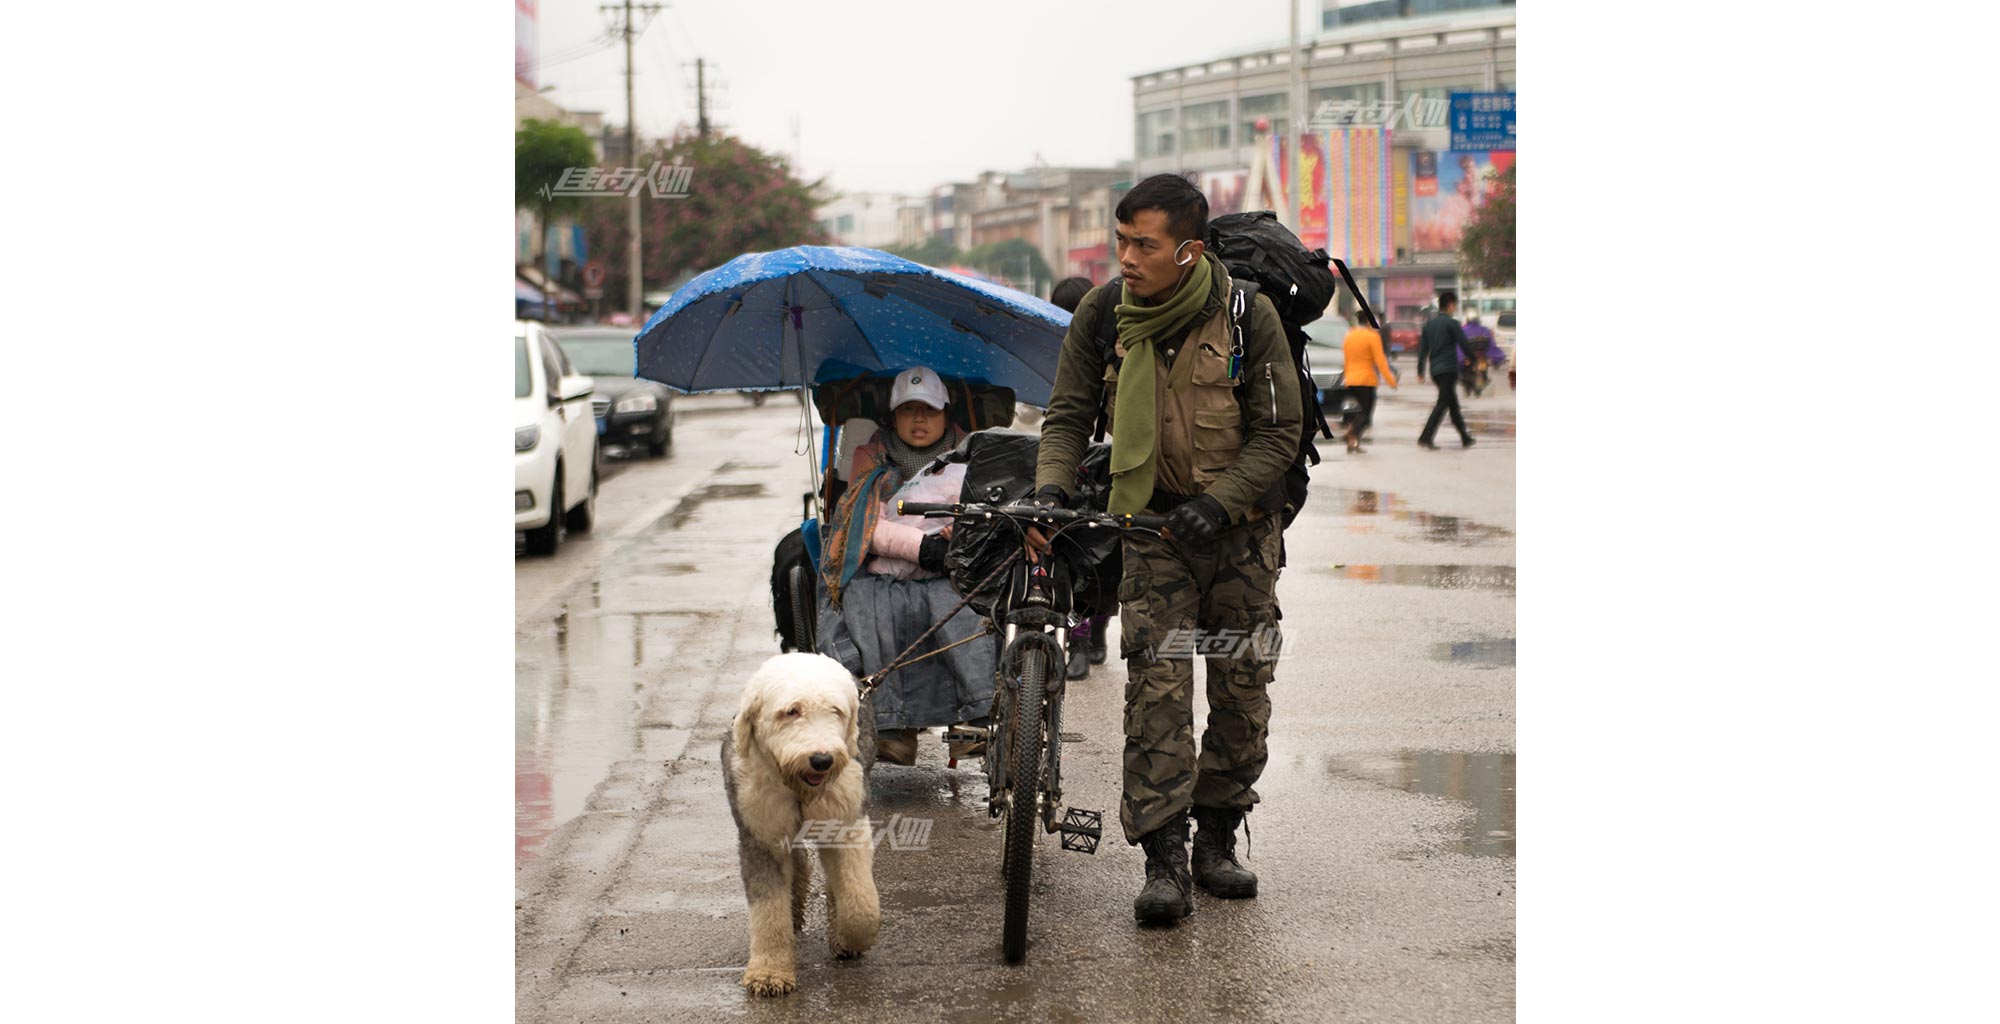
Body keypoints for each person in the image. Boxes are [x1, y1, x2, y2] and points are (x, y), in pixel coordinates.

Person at [1028, 174, 1301, 926]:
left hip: (1239, 534)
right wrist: (1052, 489)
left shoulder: (1249, 315)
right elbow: (1068, 416)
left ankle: (1217, 838)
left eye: (1142, 244)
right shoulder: (1102, 313)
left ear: (1186, 250)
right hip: (1151, 534)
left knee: (1242, 692)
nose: (1125, 258)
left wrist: (1221, 502)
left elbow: (1281, 433)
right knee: (1158, 692)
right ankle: (1165, 860)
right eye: (1120, 240)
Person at [818, 368, 995, 767]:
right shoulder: (871, 455)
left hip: (955, 565)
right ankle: (891, 725)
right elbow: (860, 525)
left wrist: (954, 537)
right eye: (909, 410)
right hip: (889, 563)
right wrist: (922, 548)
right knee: (867, 600)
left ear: (945, 413)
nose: (919, 420)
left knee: (962, 604)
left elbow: (987, 512)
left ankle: (978, 716)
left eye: (928, 410)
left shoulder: (976, 454)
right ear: (893, 415)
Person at [1048, 276, 1112, 681]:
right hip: (1074, 467)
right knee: (1088, 557)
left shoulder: (1102, 348)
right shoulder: (1064, 349)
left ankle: (1088, 637)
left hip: (1096, 468)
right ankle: (1086, 636)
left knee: (1089, 557)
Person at [1416, 289, 1476, 450]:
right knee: (1443, 403)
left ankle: (1465, 437)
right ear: (1450, 305)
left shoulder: (1429, 325)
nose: (1455, 308)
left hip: (1435, 370)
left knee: (1452, 404)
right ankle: (1425, 437)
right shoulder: (1452, 323)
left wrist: (1420, 372)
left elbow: (1422, 351)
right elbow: (1463, 343)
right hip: (1448, 369)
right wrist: (1473, 359)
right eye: (1454, 305)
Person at [1340, 310, 1398, 453]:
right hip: (1366, 381)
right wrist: (1391, 381)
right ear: (1368, 321)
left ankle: (1354, 441)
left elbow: (1346, 360)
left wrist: (1346, 378)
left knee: (1359, 413)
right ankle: (1352, 435)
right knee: (1366, 415)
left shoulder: (1349, 335)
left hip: (1351, 380)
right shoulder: (1372, 337)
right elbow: (1380, 361)